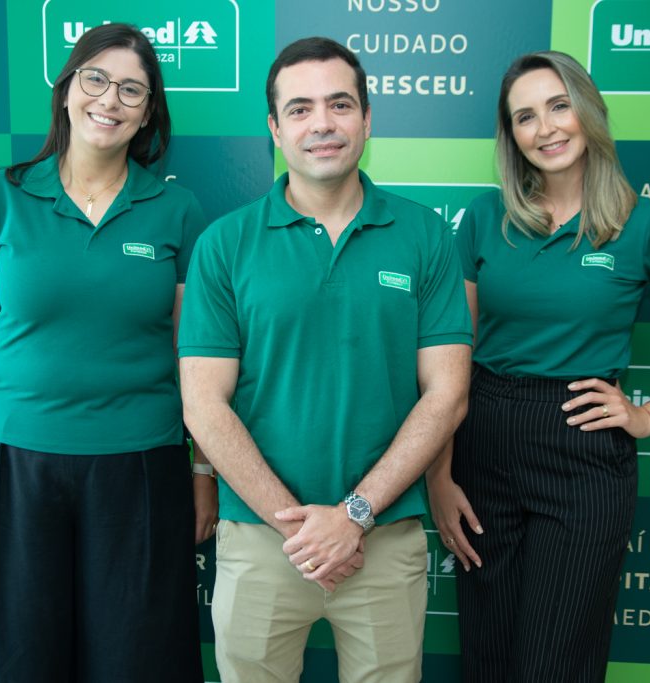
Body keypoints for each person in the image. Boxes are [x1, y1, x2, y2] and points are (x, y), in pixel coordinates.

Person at [427, 50, 650, 682]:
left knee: (556, 666)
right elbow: (450, 362)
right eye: (525, 117)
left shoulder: (645, 223)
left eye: (558, 106)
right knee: (488, 660)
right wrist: (439, 476)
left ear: (588, 111)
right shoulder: (483, 218)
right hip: (483, 438)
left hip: (583, 449)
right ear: (511, 135)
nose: (545, 128)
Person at [178, 36, 473, 683]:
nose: (323, 123)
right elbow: (202, 401)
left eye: (340, 104)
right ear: (275, 128)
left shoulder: (424, 235)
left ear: (367, 118)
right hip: (259, 542)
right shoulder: (224, 244)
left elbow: (447, 393)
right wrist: (305, 530)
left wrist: (354, 515)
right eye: (301, 108)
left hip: (385, 536)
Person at [0, 23, 216, 682]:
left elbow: (192, 358)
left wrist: (203, 471)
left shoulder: (176, 210)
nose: (109, 100)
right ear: (66, 89)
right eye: (96, 79)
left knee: (136, 661)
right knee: (15, 661)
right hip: (15, 466)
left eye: (131, 90)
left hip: (140, 467)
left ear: (148, 112)